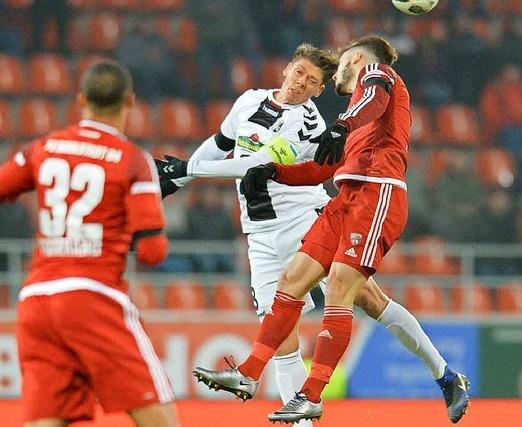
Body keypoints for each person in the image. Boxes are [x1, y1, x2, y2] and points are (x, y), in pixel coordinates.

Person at [190, 36, 470, 424]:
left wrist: (341, 124)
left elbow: (373, 93)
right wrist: (275, 172)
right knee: (295, 281)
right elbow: (322, 168)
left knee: (341, 287)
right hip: (345, 198)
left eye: (333, 71)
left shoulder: (377, 76)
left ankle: (311, 394)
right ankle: (248, 373)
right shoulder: (358, 118)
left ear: (354, 59)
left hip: (378, 194)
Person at [0, 61, 179, 427]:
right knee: (158, 414)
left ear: (81, 100)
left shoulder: (45, 146)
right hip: (93, 296)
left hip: (36, 299)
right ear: (130, 101)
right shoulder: (132, 159)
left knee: (47, 419)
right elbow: (152, 252)